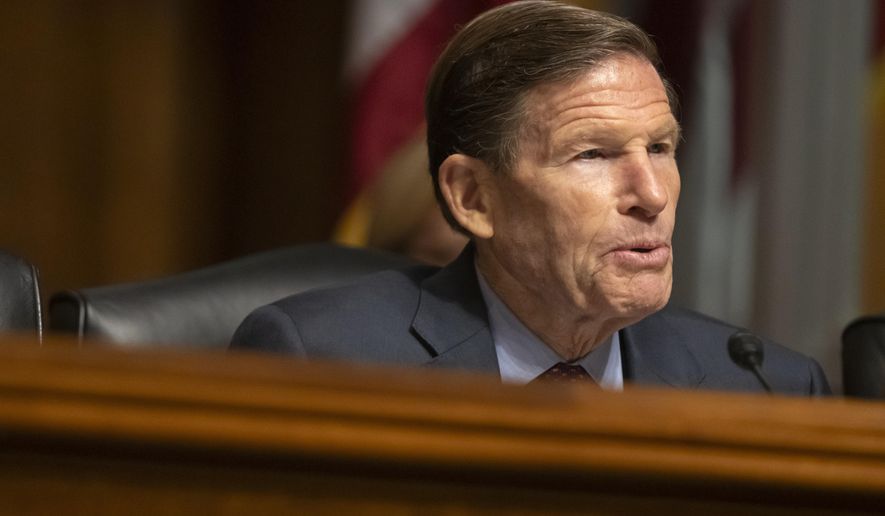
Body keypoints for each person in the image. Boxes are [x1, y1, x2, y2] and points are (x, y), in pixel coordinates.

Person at [231, 0, 830, 394]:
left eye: (660, 148)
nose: (651, 195)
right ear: (473, 198)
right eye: (592, 154)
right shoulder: (319, 362)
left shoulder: (765, 383)